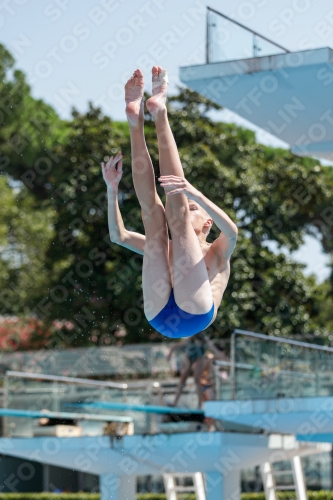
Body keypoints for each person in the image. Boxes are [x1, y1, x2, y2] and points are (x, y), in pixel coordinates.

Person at [101, 66, 238, 339]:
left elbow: (231, 230)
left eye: (195, 208)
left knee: (160, 215)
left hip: (168, 314)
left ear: (208, 223)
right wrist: (112, 189)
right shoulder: (195, 251)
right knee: (157, 213)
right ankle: (139, 119)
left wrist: (196, 194)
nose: (190, 205)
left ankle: (152, 115)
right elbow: (120, 236)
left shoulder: (218, 249)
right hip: (181, 316)